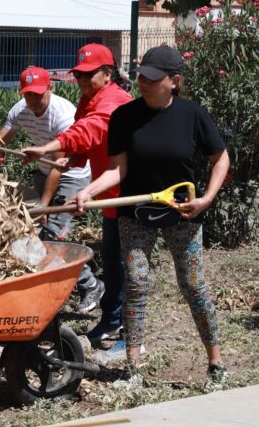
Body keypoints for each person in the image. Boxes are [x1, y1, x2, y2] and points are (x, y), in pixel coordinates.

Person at [72, 45, 229, 388]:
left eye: (153, 78)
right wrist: (89, 191)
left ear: (174, 81)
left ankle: (216, 364)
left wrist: (206, 199)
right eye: (141, 75)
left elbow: (220, 158)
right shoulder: (124, 117)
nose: (143, 82)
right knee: (137, 283)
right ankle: (133, 368)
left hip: (183, 212)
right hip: (135, 214)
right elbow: (117, 170)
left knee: (192, 285)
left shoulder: (193, 115)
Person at [0, 66, 102, 312]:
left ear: (50, 88)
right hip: (45, 172)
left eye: (38, 94)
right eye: (28, 95)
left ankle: (91, 285)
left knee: (52, 236)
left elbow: (59, 166)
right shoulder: (20, 111)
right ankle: (53, 289)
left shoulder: (62, 114)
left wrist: (44, 205)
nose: (33, 100)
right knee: (30, 235)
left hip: (72, 175)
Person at [21, 43, 132, 343]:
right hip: (108, 193)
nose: (82, 81)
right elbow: (85, 141)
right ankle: (111, 319)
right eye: (79, 76)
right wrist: (73, 159)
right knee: (111, 260)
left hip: (127, 193)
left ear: (107, 74)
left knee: (125, 264)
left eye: (88, 75)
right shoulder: (90, 98)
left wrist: (46, 147)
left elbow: (89, 130)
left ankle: (127, 329)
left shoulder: (115, 101)